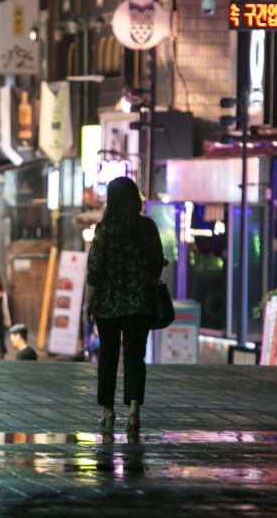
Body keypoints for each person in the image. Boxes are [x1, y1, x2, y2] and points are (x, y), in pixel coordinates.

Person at [83, 176, 165, 434]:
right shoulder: (148, 228)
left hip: (108, 304)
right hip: (139, 303)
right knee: (134, 356)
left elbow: (94, 270)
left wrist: (88, 302)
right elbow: (157, 262)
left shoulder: (104, 230)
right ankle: (133, 410)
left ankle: (107, 410)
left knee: (107, 355)